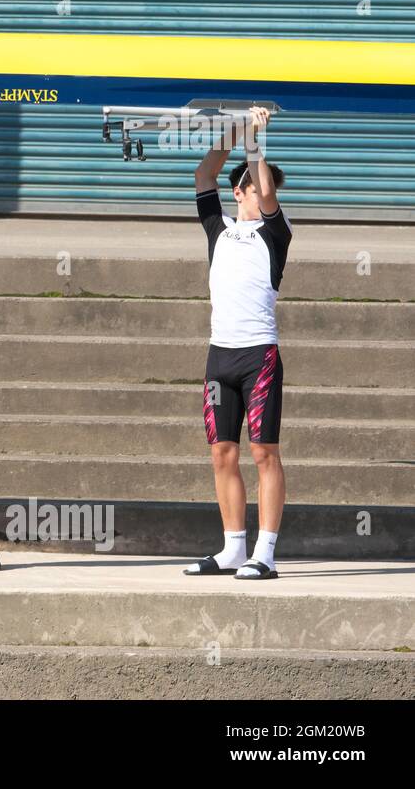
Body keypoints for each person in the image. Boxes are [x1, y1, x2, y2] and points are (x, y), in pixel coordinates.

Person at [185, 107, 290, 581]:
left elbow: (267, 189)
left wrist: (253, 137)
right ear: (236, 192)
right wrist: (233, 130)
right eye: (252, 185)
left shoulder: (275, 232)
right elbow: (203, 172)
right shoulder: (218, 228)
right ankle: (232, 548)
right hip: (219, 356)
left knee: (264, 452)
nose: (264, 193)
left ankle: (264, 553)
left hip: (258, 357)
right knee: (221, 453)